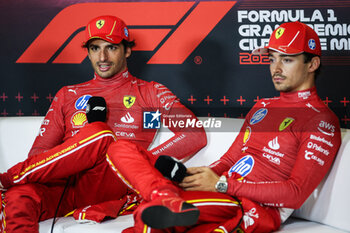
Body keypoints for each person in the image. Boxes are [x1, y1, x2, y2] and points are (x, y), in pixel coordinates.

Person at [106, 21, 341, 233]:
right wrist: (195, 177)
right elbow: (229, 161)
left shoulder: (321, 121)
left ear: (313, 64)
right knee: (120, 148)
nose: (275, 68)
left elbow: (295, 193)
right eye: (272, 58)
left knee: (149, 218)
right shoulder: (263, 106)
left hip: (248, 206)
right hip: (220, 192)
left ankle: (163, 200)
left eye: (286, 59)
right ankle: (164, 194)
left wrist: (221, 184)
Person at [0, 15, 206, 233]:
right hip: (66, 188)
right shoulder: (68, 94)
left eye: (111, 47)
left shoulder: (150, 91)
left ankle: (7, 178)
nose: (102, 57)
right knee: (19, 196)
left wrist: (140, 161)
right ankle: (12, 185)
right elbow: (40, 152)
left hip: (114, 180)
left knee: (101, 134)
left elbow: (194, 135)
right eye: (95, 48)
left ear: (127, 50)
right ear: (88, 52)